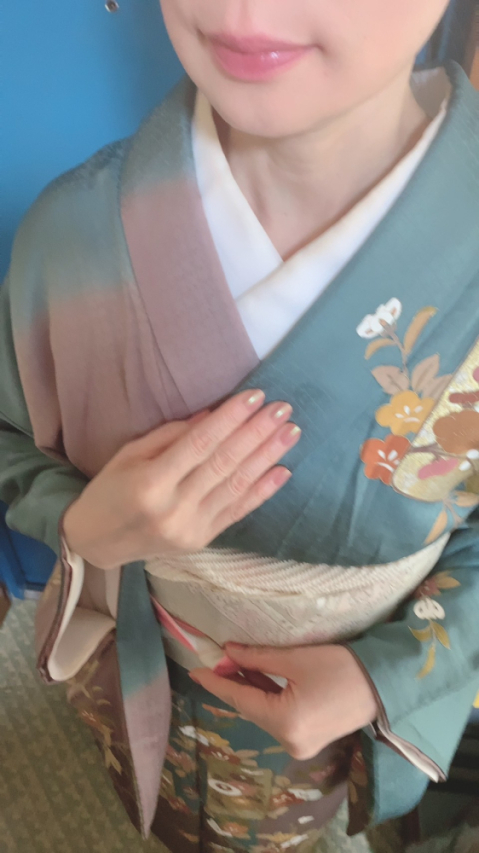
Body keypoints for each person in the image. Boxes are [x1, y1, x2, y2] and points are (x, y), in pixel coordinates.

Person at [1, 1, 479, 850]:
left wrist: (386, 674)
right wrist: (83, 522)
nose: (243, 8)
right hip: (142, 654)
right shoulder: (70, 234)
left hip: (331, 715)